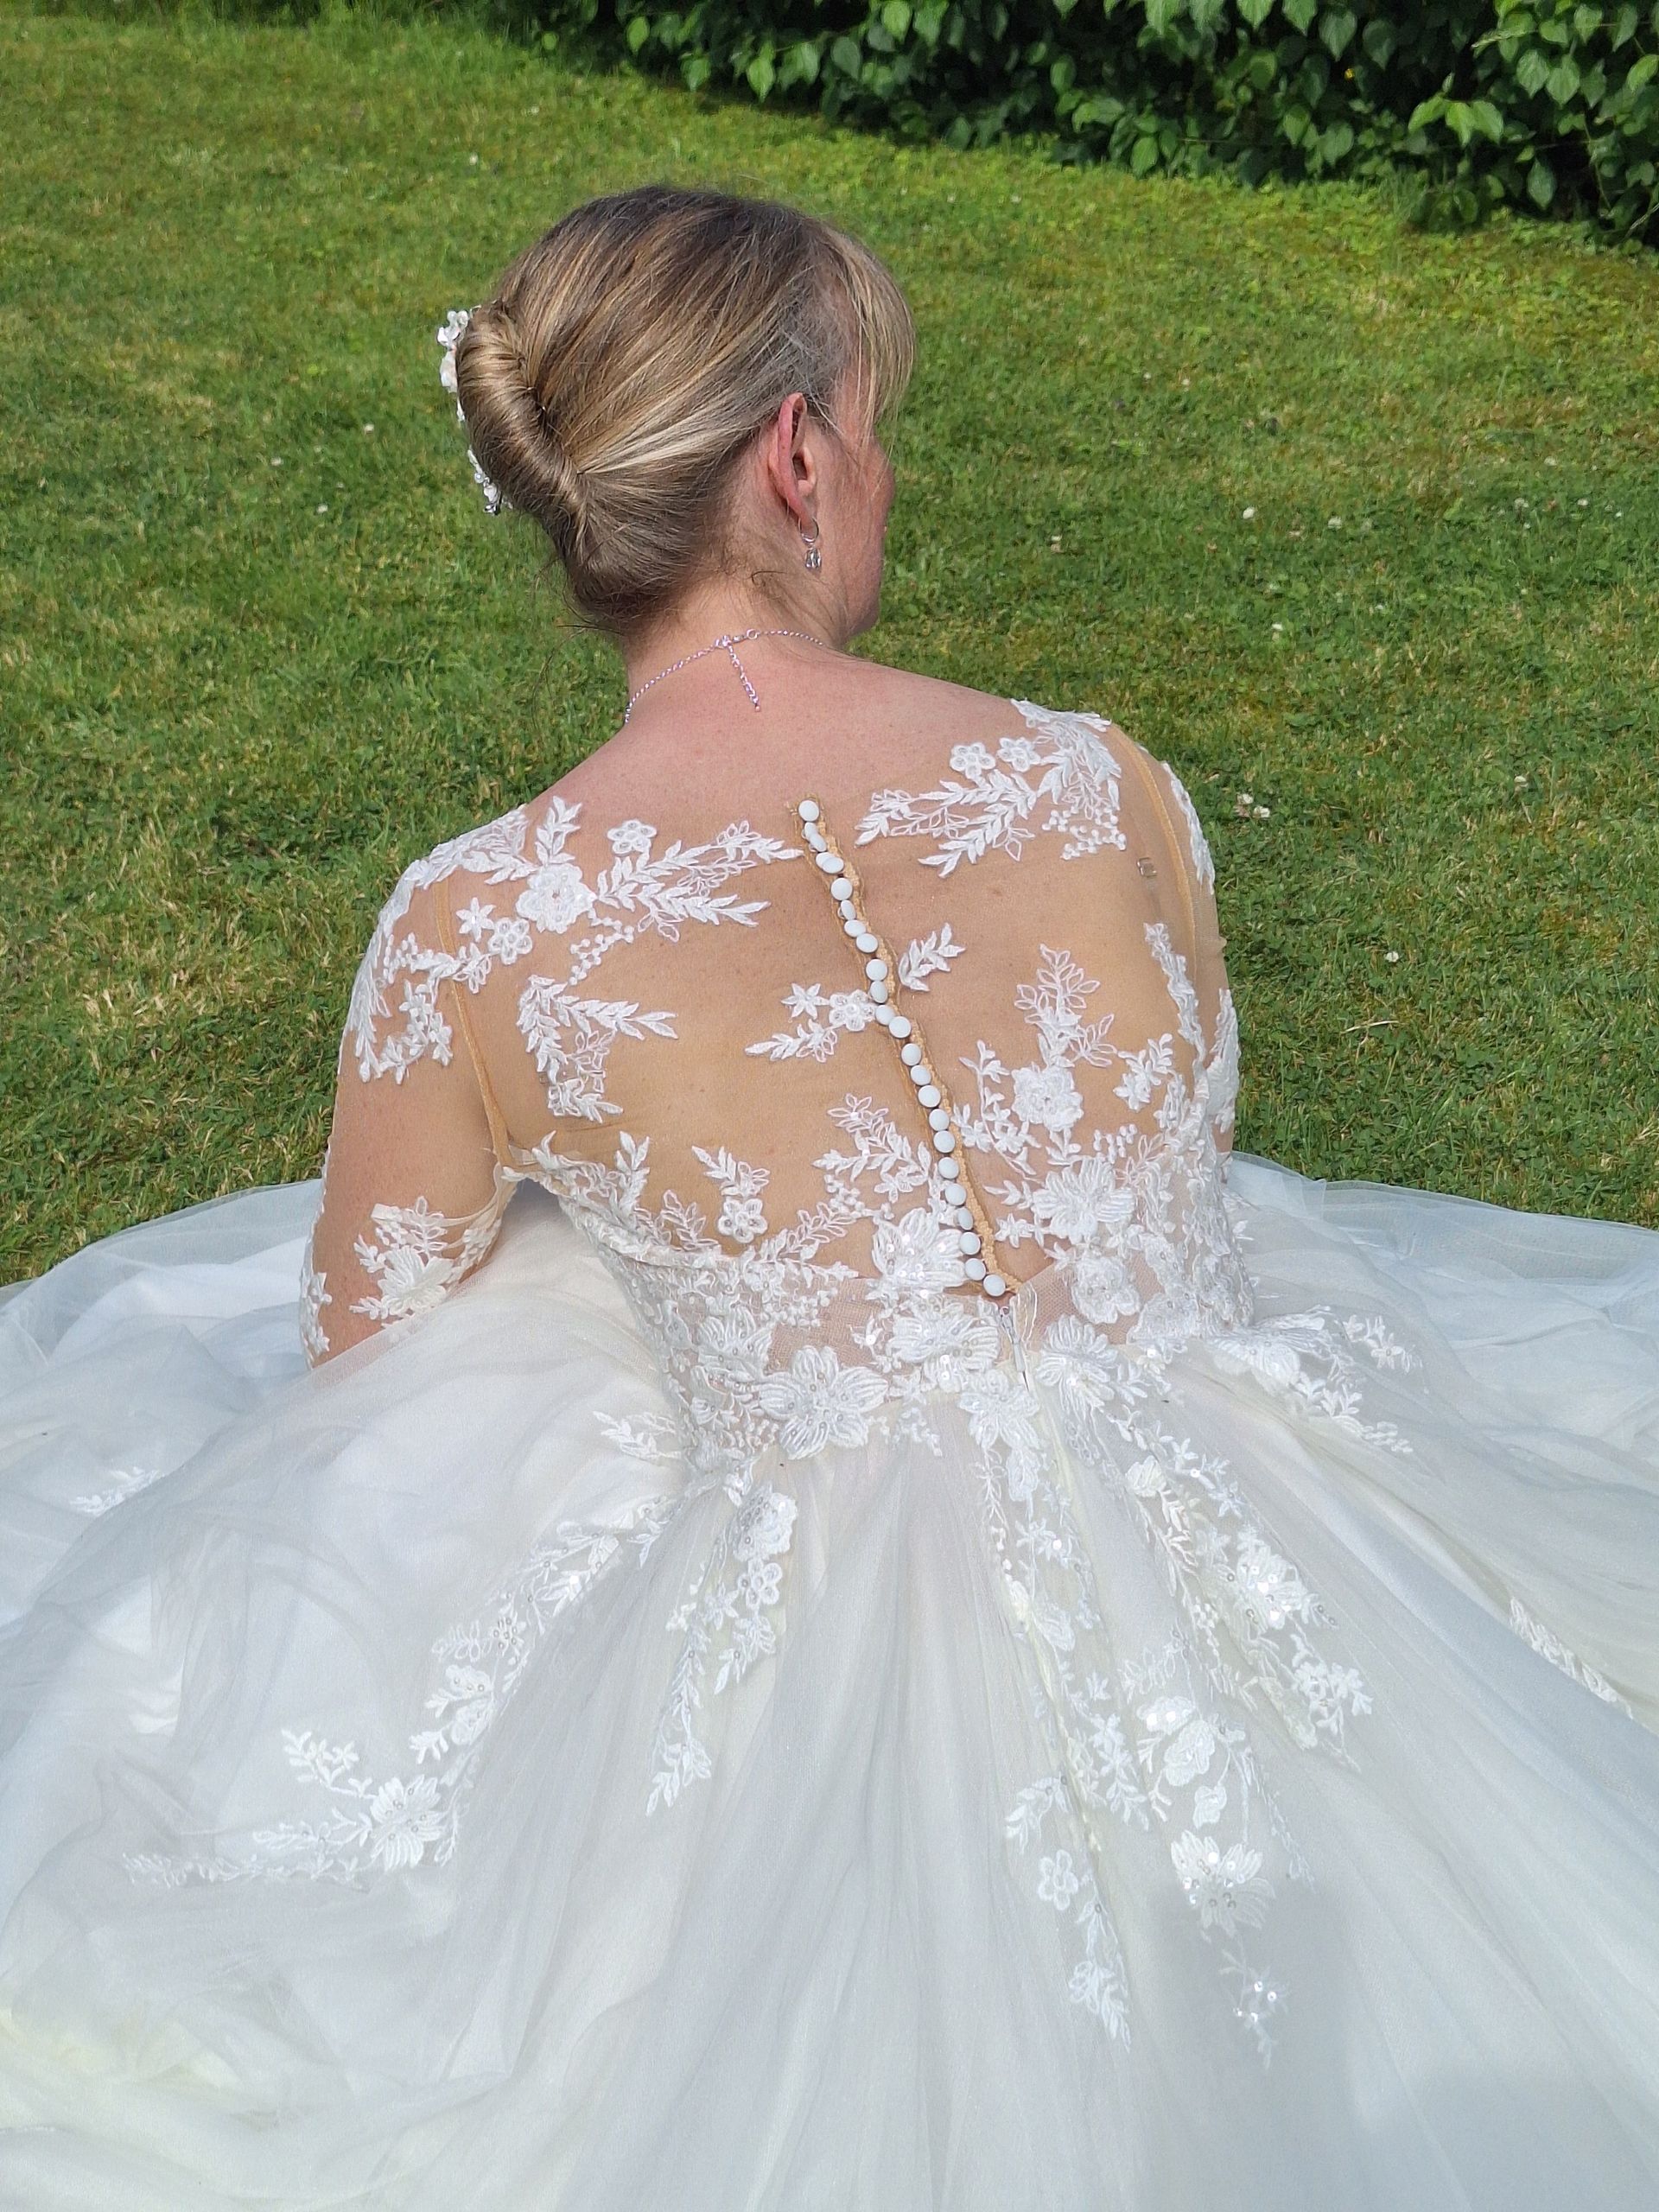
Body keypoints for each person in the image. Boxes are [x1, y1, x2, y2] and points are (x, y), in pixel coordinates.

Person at [1, 182, 1656, 2212]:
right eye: (878, 423)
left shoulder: (473, 929)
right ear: (795, 452)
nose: (885, 469)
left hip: (820, 1672)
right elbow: (1187, 1140)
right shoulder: (1091, 778)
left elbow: (368, 1367)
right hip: (1298, 1535)